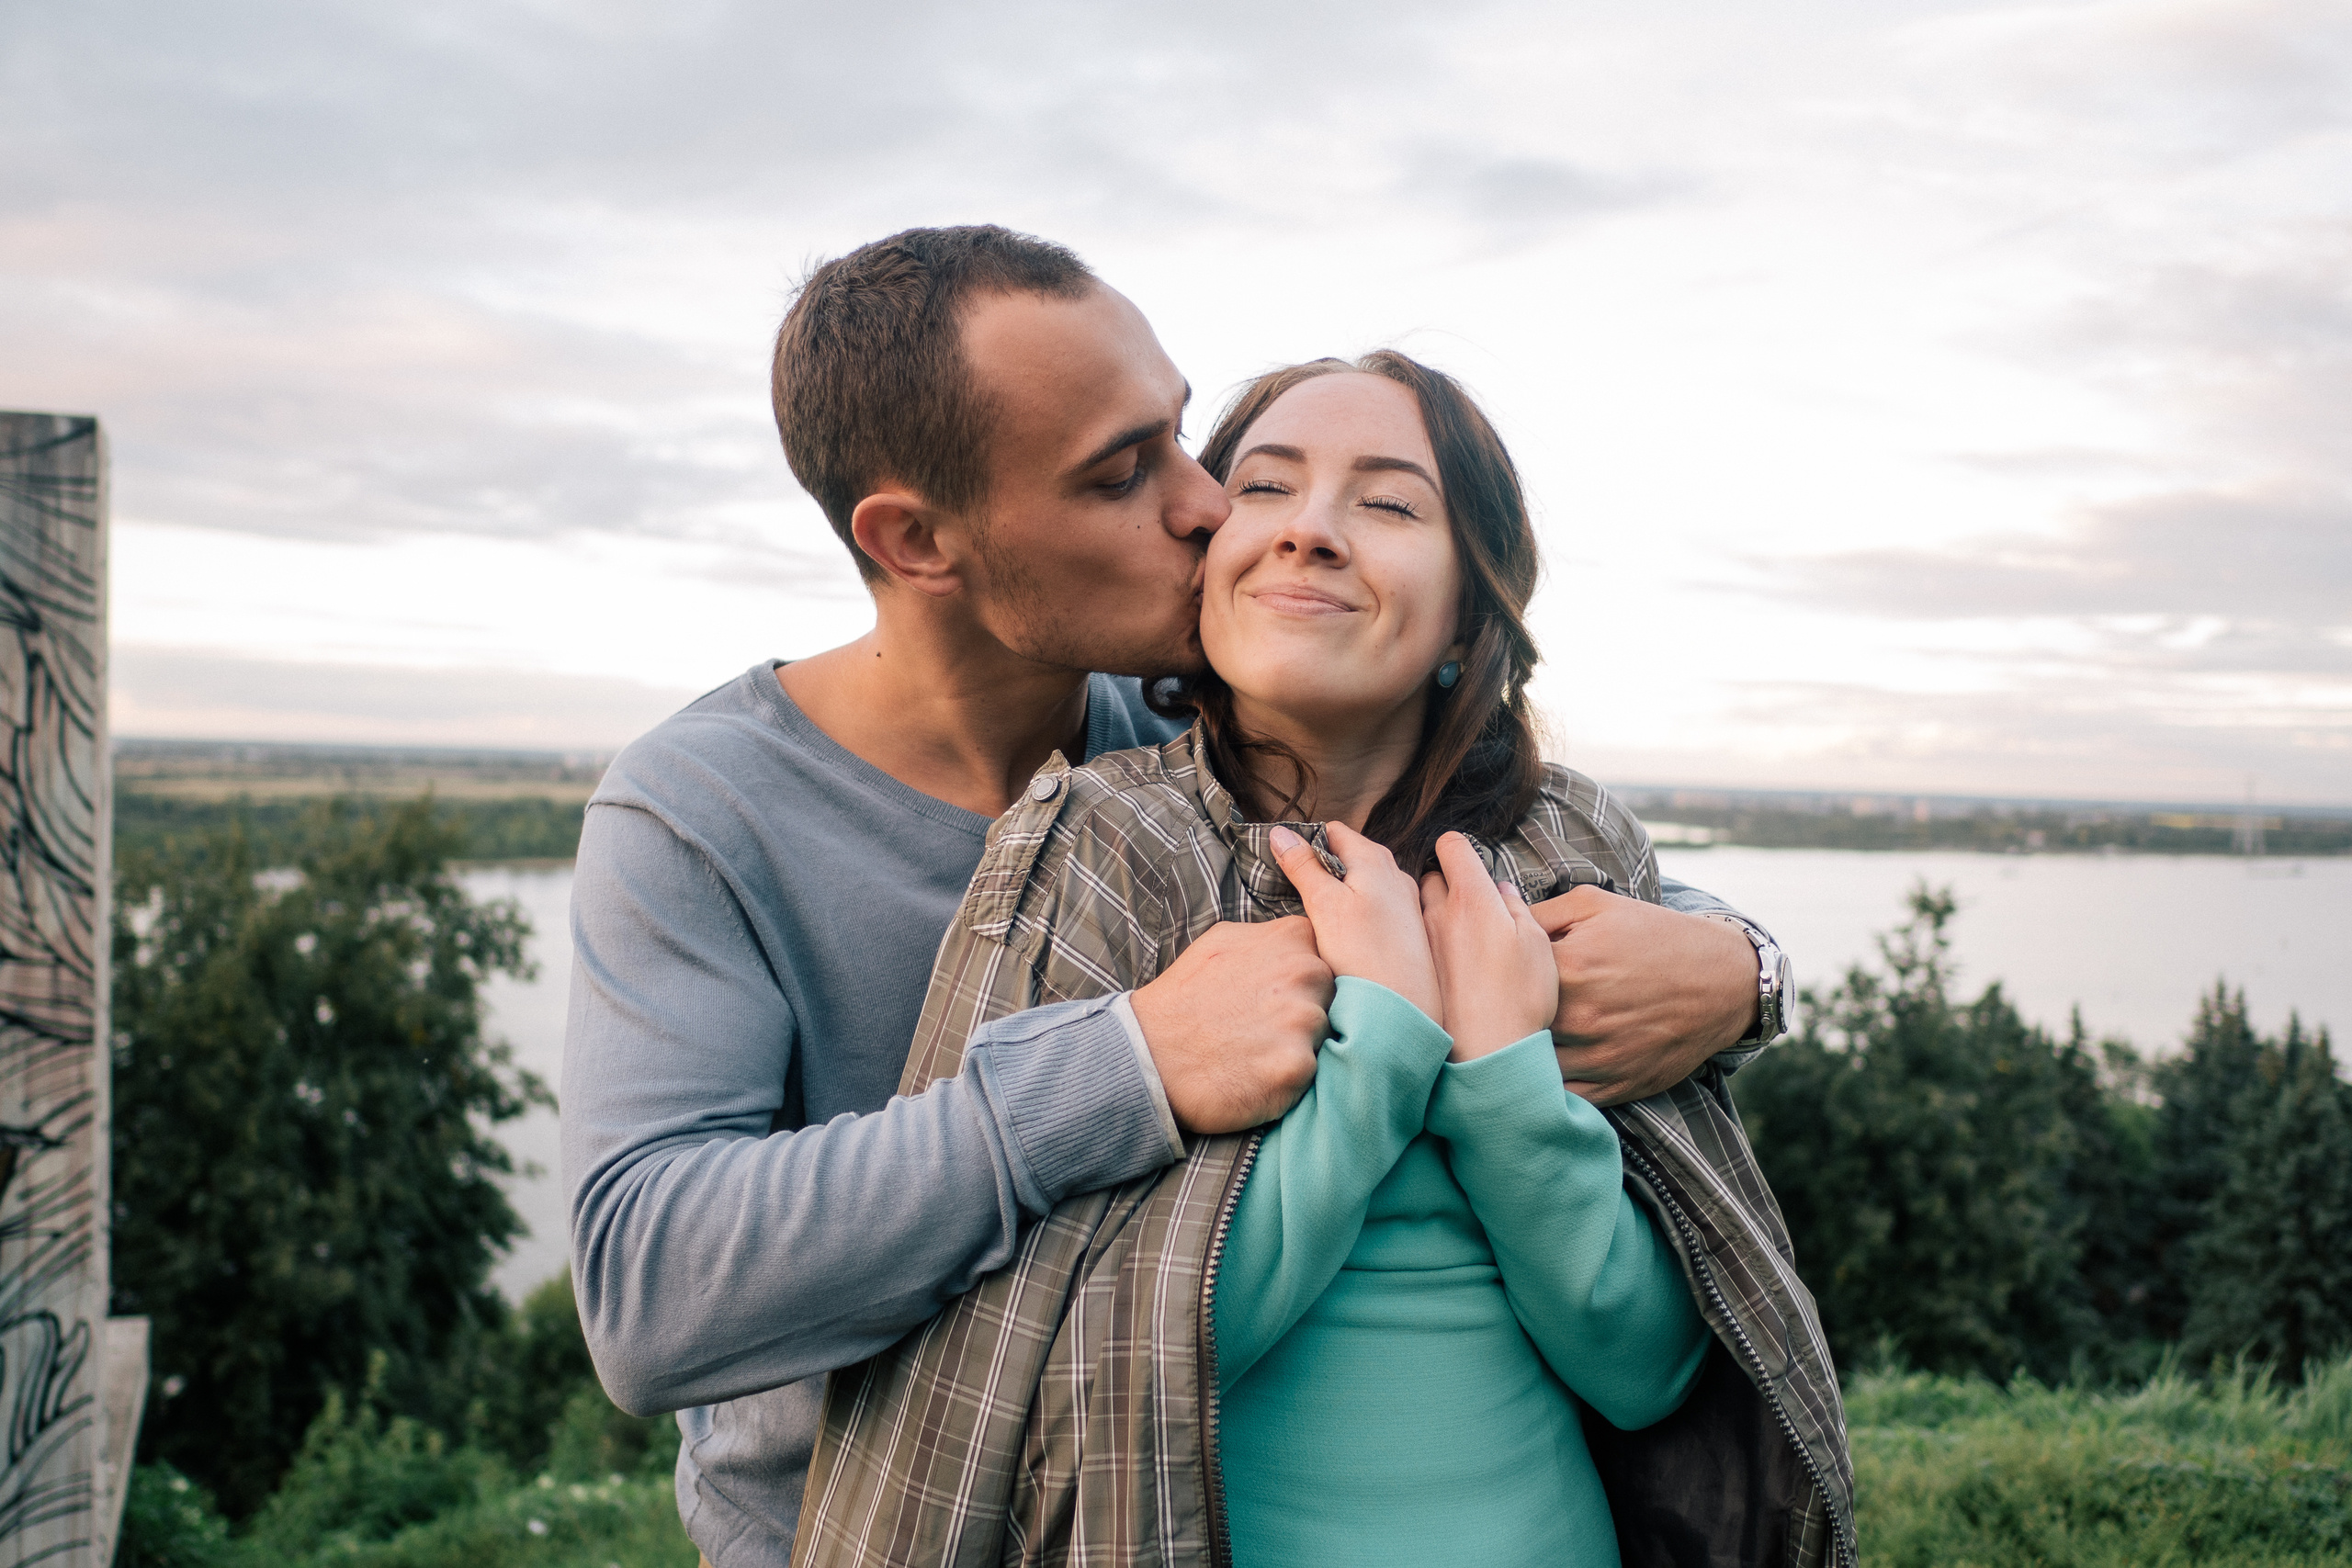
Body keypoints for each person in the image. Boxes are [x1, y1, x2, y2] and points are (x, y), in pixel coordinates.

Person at [561, 226, 1793, 1568]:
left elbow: (1506, 862)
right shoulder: (706, 811)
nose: (1210, 506)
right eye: (1121, 474)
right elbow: (646, 1293)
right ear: (917, 540)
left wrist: (1745, 969)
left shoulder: (1202, 719)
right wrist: (1133, 1060)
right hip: (873, 1520)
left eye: (1186, 437)